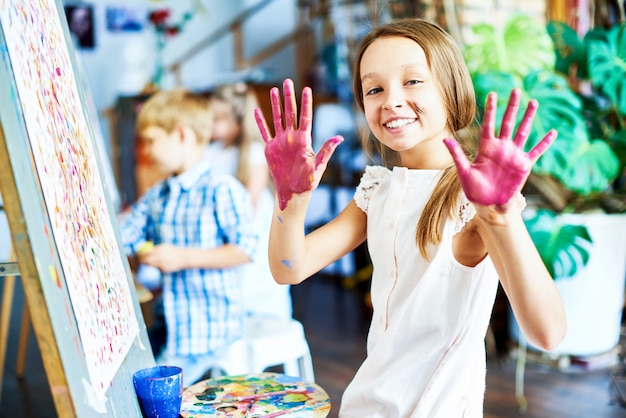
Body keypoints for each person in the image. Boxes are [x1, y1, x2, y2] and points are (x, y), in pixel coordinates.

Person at [253, 18, 567, 417]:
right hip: (366, 405)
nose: (391, 100)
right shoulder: (377, 190)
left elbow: (548, 332)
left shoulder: (475, 200)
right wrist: (291, 202)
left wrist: (500, 217)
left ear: (451, 89)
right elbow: (289, 269)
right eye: (374, 88)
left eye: (413, 81)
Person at [119, 88, 258, 385]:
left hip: (208, 330)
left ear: (182, 135)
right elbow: (126, 234)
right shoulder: (158, 194)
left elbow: (247, 249)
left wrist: (182, 258)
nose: (146, 150)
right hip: (169, 323)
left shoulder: (222, 189)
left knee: (149, 394)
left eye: (152, 140)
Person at [208, 83, 292, 320]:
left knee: (253, 285)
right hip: (220, 223)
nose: (212, 125)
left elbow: (249, 204)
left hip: (247, 224)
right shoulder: (212, 150)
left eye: (219, 119)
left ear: (239, 120)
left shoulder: (255, 151)